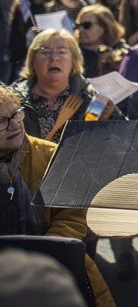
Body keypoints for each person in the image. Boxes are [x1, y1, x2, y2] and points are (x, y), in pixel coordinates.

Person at [0, 86, 114, 306]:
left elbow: (72, 214)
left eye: (16, 114)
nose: (14, 125)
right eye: (1, 121)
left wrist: (45, 252)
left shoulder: (51, 155)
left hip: (56, 270)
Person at [10, 29, 114, 141]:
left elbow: (116, 140)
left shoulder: (92, 97)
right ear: (32, 62)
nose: (54, 58)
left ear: (73, 61)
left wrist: (106, 121)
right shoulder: (13, 100)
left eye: (62, 52)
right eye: (45, 52)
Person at [9, 0, 51, 70]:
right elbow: (15, 34)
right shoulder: (22, 7)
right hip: (25, 58)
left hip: (49, 56)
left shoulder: (52, 6)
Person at [74, 4, 128, 78]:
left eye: (87, 25)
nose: (80, 30)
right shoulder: (74, 54)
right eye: (78, 25)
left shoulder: (123, 51)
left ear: (104, 27)